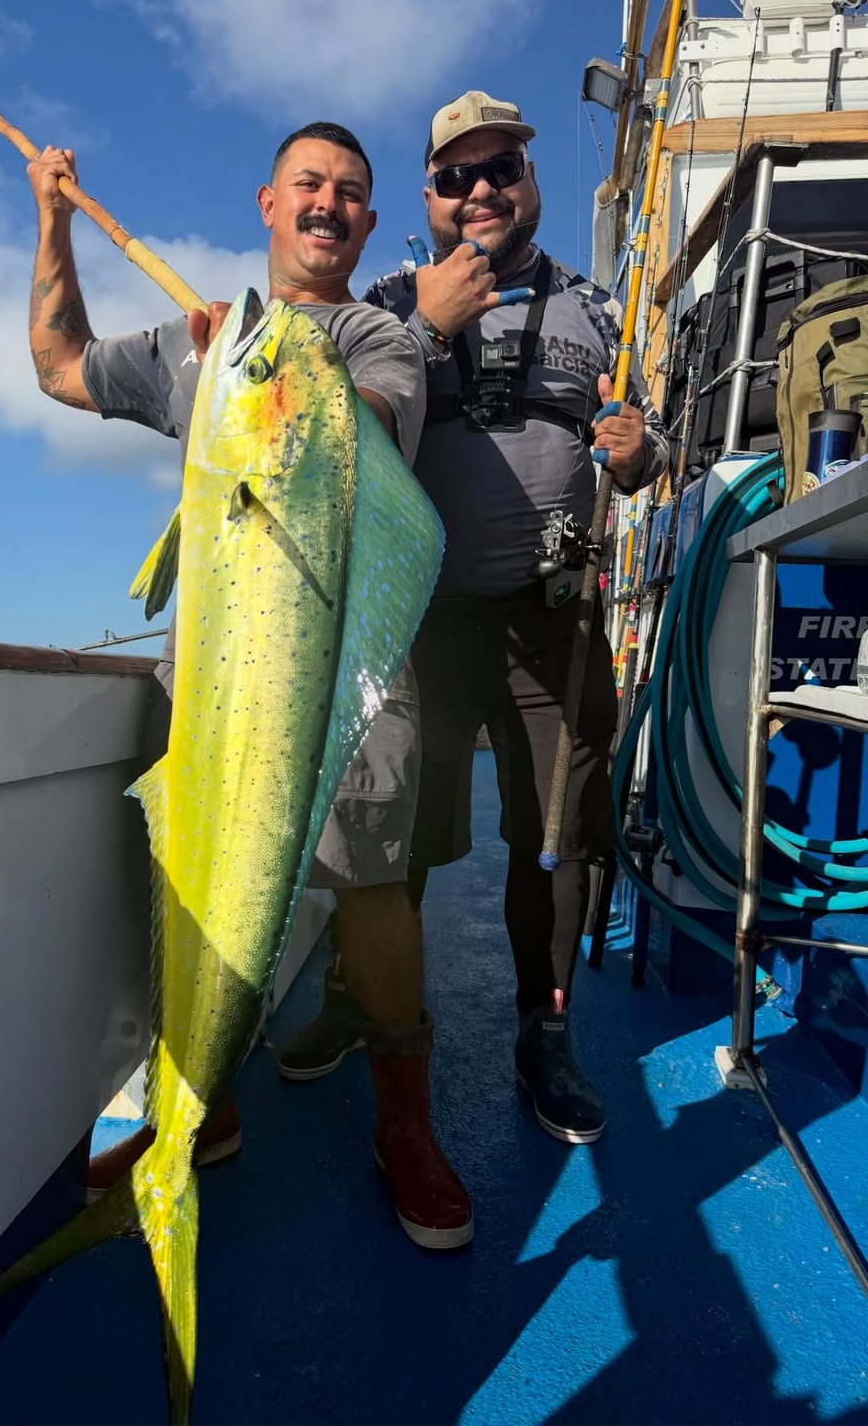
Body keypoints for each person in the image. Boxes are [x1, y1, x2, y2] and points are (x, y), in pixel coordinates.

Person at [25, 122, 473, 1249]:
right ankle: (202, 1108)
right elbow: (59, 364)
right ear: (268, 203)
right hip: (217, 664)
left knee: (373, 888)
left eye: (352, 195)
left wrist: (277, 371)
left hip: (343, 654)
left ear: (368, 225)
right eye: (309, 185)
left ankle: (404, 1124)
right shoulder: (199, 346)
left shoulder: (380, 335)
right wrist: (54, 221)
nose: (329, 204)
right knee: (191, 869)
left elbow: (359, 424)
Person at [278, 91, 671, 1148]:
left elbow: (653, 449)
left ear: (530, 184)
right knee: (393, 835)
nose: (482, 190)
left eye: (502, 170)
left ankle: (544, 1035)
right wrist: (421, 324)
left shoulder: (600, 312)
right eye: (457, 177)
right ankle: (366, 1000)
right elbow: (323, 419)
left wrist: (642, 458)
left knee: (555, 841)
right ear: (430, 198)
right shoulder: (387, 304)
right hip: (422, 623)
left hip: (555, 616)